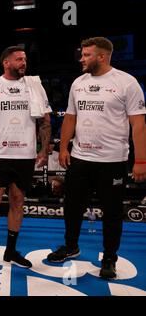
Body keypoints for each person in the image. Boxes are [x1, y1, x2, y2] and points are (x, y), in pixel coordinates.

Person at [47, 37, 146, 279]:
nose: (81, 58)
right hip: (80, 158)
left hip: (112, 160)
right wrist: (62, 148)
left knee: (112, 212)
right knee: (72, 207)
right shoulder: (78, 83)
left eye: (86, 55)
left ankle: (109, 258)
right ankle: (71, 246)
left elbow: (138, 123)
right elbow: (70, 117)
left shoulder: (126, 82)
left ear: (101, 57)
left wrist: (141, 160)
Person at [0, 45, 52, 269]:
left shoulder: (35, 86)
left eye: (25, 59)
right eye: (18, 59)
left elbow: (44, 121)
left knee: (18, 202)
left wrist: (44, 150)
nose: (23, 63)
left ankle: (11, 251)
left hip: (25, 156)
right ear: (6, 63)